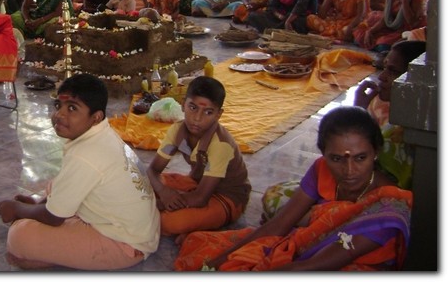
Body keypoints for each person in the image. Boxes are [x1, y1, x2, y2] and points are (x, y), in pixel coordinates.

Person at [175, 105, 412, 271]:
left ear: (375, 152)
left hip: (351, 263)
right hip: (308, 253)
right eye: (337, 159)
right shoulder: (321, 169)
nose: (349, 170)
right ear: (323, 154)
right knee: (210, 249)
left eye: (361, 158)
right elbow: (280, 224)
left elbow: (317, 265)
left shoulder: (388, 203)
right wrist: (219, 260)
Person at [0, 73, 160, 270]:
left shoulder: (85, 155)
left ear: (96, 117)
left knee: (19, 236)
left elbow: (53, 218)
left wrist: (17, 209)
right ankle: (47, 222)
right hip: (140, 230)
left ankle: (51, 253)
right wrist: (35, 209)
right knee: (56, 185)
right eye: (58, 105)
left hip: (124, 244)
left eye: (72, 108)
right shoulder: (103, 133)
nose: (59, 115)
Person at [147, 76, 251, 237]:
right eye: (193, 107)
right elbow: (153, 170)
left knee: (171, 222)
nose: (197, 118)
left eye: (208, 112)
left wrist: (164, 203)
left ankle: (192, 222)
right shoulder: (177, 131)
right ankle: (190, 221)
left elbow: (201, 198)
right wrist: (164, 191)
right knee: (141, 183)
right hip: (198, 184)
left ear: (218, 114)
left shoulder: (220, 144)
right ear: (183, 104)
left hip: (226, 197)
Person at [354, 40, 426, 189]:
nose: (381, 77)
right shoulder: (405, 117)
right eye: (384, 68)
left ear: (415, 79)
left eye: (393, 71)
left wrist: (358, 112)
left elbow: (355, 164)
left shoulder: (398, 135)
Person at [353, 0, 427, 53]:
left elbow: (412, 22)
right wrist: (370, 31)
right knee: (360, 36)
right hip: (394, 28)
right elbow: (385, 19)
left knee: (383, 44)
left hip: (411, 29)